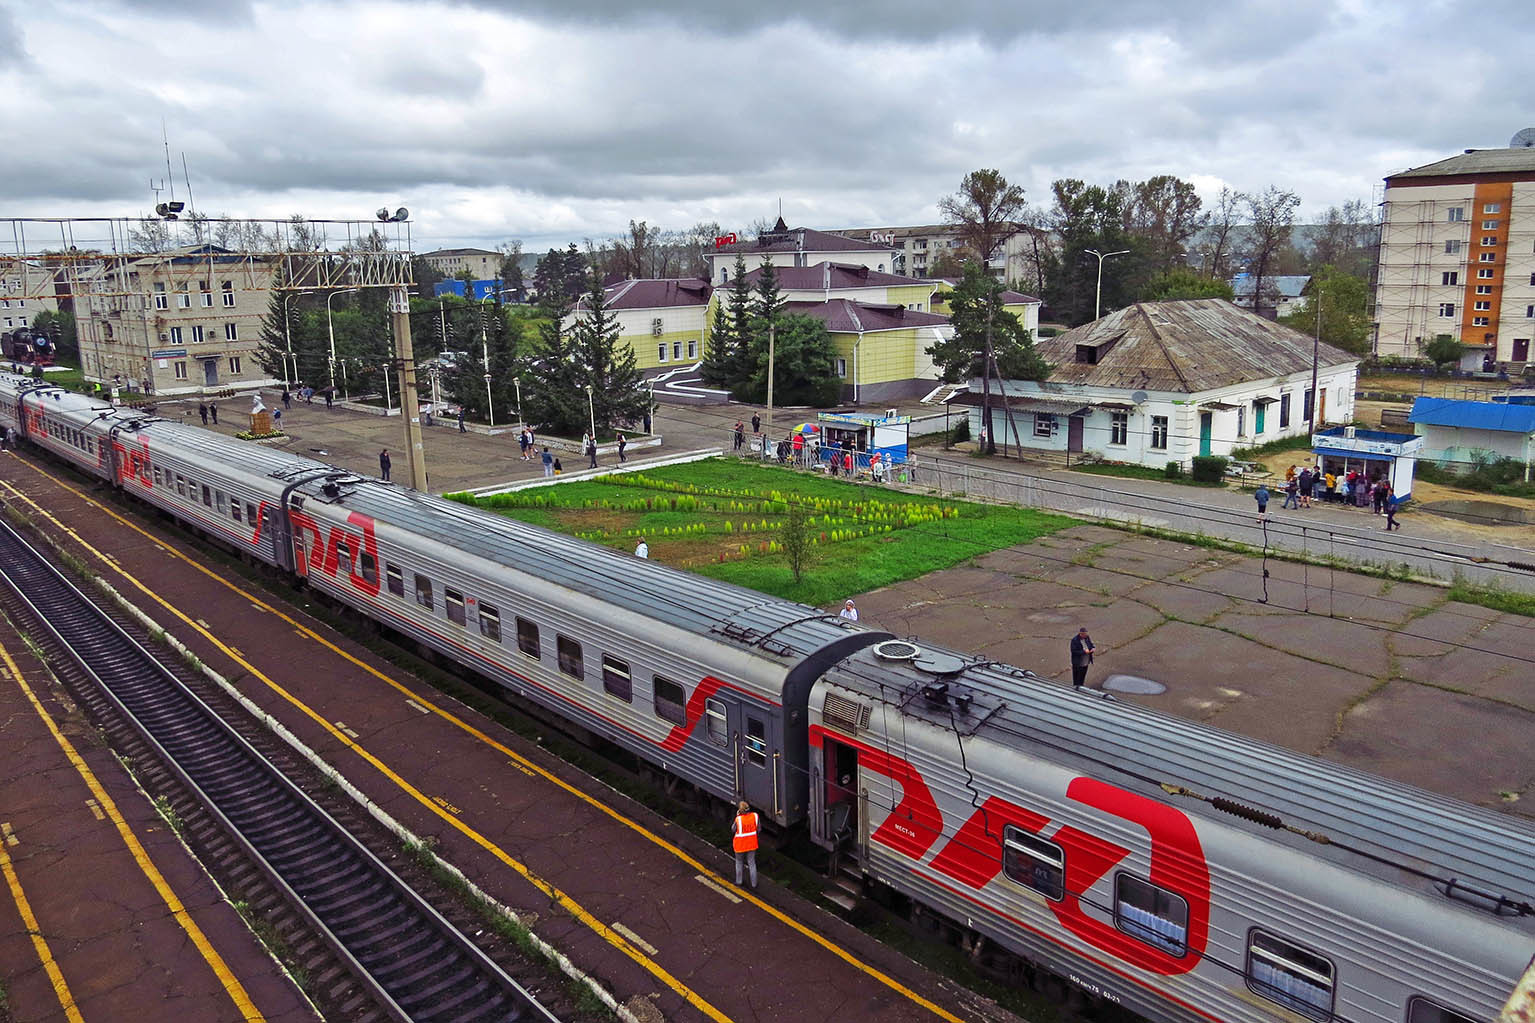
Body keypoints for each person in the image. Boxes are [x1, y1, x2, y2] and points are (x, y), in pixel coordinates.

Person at [732, 801, 759, 890]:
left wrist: (737, 816)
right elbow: (759, 829)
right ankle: (754, 884)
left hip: (740, 845)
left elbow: (733, 829)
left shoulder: (738, 819)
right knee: (752, 863)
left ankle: (739, 881)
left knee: (739, 862)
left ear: (740, 810)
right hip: (752, 844)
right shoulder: (755, 816)